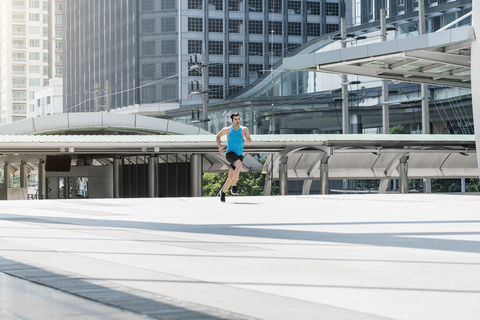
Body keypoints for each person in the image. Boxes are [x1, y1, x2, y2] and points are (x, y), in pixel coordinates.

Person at [216, 112, 252, 202]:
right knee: (239, 164)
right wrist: (219, 147)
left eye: (238, 119)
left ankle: (223, 193)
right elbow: (218, 136)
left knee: (231, 176)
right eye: (235, 119)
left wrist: (243, 137)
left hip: (239, 155)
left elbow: (249, 142)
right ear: (231, 120)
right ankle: (234, 186)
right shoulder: (227, 130)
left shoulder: (244, 129)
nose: (237, 121)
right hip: (230, 154)